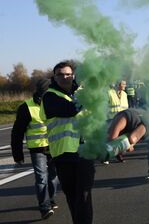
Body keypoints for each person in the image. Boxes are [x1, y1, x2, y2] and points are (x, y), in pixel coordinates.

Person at [41, 61, 94, 224]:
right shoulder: (50, 97)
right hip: (64, 155)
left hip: (84, 152)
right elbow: (71, 109)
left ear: (73, 76)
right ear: (54, 78)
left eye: (68, 74)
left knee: (84, 194)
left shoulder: (78, 93)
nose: (65, 77)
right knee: (72, 196)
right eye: (60, 74)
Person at [11, 78, 59, 219]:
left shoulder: (56, 103)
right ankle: (44, 207)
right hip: (37, 149)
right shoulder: (26, 107)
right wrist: (17, 154)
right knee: (41, 178)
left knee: (53, 177)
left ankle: (51, 199)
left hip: (55, 147)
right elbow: (17, 132)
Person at [107, 79, 129, 163]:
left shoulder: (125, 94)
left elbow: (126, 107)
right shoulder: (109, 93)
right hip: (110, 119)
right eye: (123, 84)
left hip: (121, 120)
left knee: (119, 138)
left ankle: (119, 154)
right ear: (118, 84)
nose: (125, 85)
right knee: (110, 138)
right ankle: (107, 156)